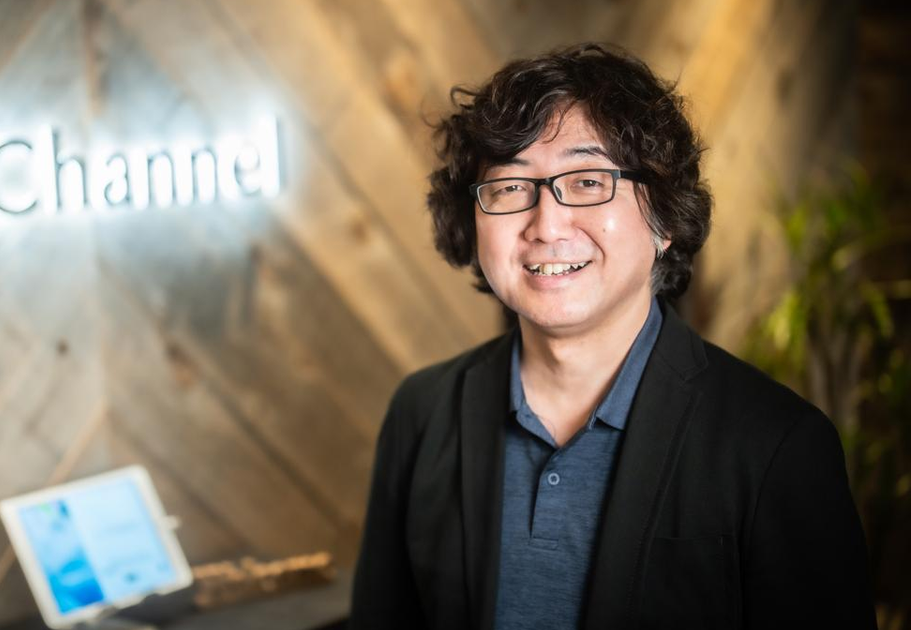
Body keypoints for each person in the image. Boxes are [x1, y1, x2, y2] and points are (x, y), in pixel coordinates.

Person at [348, 43, 876, 630]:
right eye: (510, 187)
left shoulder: (777, 445)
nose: (546, 225)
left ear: (664, 218)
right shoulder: (422, 413)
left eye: (588, 181)